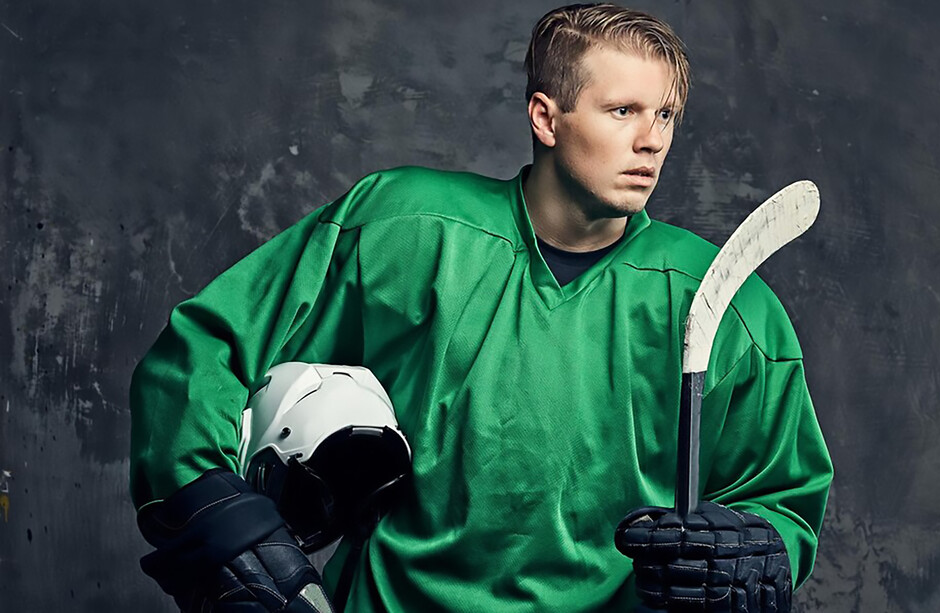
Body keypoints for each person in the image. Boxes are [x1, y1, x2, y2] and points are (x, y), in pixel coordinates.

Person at [130, 3, 833, 612]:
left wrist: (764, 547)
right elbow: (204, 351)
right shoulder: (402, 231)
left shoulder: (726, 301)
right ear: (545, 117)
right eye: (622, 111)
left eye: (666, 115)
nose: (651, 140)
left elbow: (783, 489)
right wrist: (210, 507)